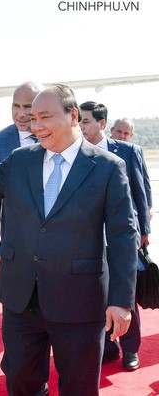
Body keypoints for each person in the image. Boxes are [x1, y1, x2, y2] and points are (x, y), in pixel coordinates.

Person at [0, 85, 138, 395]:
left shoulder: (108, 167)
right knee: (22, 383)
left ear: (72, 116)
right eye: (32, 118)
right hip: (22, 298)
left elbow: (124, 236)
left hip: (78, 301)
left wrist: (121, 301)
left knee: (79, 387)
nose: (36, 125)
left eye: (44, 117)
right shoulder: (20, 160)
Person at [80, 101, 150, 371]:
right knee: (98, 295)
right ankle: (108, 346)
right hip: (89, 242)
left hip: (121, 238)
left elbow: (139, 192)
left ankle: (131, 349)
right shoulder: (74, 153)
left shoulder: (128, 151)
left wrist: (144, 231)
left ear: (101, 123)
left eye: (86, 121)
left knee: (125, 295)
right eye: (79, 121)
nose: (81, 126)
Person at [0, 81, 44, 279]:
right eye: (16, 106)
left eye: (28, 106)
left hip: (57, 250)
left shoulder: (57, 137)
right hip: (16, 249)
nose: (21, 113)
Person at [111, 118, 153, 219]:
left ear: (131, 135)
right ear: (112, 130)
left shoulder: (133, 152)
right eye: (119, 131)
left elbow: (144, 180)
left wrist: (149, 206)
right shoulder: (102, 148)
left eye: (126, 133)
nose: (121, 136)